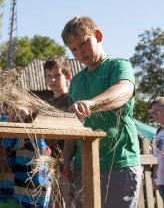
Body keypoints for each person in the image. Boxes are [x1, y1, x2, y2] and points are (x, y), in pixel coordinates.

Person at [60, 16, 142, 208]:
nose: (80, 51)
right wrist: (65, 159)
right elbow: (74, 125)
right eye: (73, 49)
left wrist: (92, 103)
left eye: (83, 43)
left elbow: (124, 91)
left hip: (119, 163)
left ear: (98, 35)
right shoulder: (77, 81)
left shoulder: (118, 65)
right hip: (84, 166)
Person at [0, 101, 52, 208]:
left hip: (24, 197)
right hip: (16, 198)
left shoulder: (29, 136)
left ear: (31, 114)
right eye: (11, 112)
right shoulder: (15, 133)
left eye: (20, 112)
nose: (16, 115)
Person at [43, 58, 75, 208]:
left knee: (70, 201)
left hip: (69, 161)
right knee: (52, 202)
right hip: (49, 161)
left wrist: (66, 160)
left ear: (67, 77)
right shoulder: (47, 104)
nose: (52, 79)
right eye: (48, 76)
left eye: (57, 75)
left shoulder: (72, 101)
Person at [151, 96, 164, 200]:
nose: (154, 115)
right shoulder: (158, 133)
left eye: (157, 111)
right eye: (152, 112)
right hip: (162, 182)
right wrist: (155, 177)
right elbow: (156, 159)